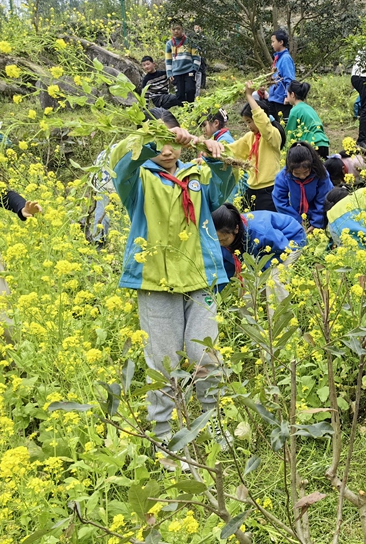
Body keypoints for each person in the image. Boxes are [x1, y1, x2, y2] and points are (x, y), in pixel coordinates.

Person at [109, 108, 236, 467]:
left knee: (205, 355)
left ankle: (213, 424)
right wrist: (152, 141)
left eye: (172, 141)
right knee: (163, 363)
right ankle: (164, 437)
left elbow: (223, 188)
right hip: (155, 281)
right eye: (158, 143)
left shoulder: (195, 173)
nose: (167, 150)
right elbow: (124, 159)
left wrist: (215, 155)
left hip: (200, 278)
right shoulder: (137, 177)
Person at [226, 81, 285, 212]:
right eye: (246, 123)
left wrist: (249, 96)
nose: (248, 126)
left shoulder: (273, 136)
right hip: (251, 189)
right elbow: (231, 150)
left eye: (249, 122)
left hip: (269, 189)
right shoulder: (250, 137)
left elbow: (262, 122)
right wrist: (209, 152)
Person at [211, 202, 306, 281]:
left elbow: (282, 249)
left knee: (274, 277)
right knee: (248, 280)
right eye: (217, 241)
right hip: (265, 251)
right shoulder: (222, 239)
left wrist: (261, 270)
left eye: (223, 240)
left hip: (289, 241)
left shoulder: (260, 232)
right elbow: (225, 269)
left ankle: (279, 299)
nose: (221, 244)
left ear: (236, 229)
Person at [273, 141, 334, 230]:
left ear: (311, 166)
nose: (302, 176)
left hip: (317, 213)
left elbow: (323, 198)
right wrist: (296, 220)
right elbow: (280, 201)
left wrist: (316, 223)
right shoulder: (283, 176)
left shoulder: (321, 173)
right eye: (297, 174)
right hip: (295, 214)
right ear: (290, 169)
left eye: (306, 172)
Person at [285, 81, 330, 158]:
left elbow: (290, 134)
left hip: (311, 145)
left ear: (292, 94)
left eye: (287, 95)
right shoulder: (309, 108)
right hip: (323, 142)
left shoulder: (295, 110)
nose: (287, 97)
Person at [164, 21, 201, 105]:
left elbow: (197, 57)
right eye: (174, 29)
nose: (176, 31)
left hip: (189, 70)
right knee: (180, 94)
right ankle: (183, 110)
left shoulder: (190, 42)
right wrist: (169, 73)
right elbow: (168, 60)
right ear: (170, 30)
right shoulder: (169, 44)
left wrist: (194, 69)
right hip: (176, 72)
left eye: (178, 29)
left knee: (190, 90)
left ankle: (191, 108)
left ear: (182, 29)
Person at [268, 29, 295, 121]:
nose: (272, 44)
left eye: (273, 41)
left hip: (282, 100)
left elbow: (289, 79)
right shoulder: (277, 58)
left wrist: (287, 96)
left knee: (283, 126)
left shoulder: (285, 58)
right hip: (274, 99)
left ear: (281, 42)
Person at [191, 24, 207, 99]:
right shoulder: (192, 38)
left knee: (202, 72)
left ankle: (201, 89)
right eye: (195, 28)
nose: (197, 29)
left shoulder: (203, 38)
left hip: (201, 57)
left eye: (198, 28)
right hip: (194, 59)